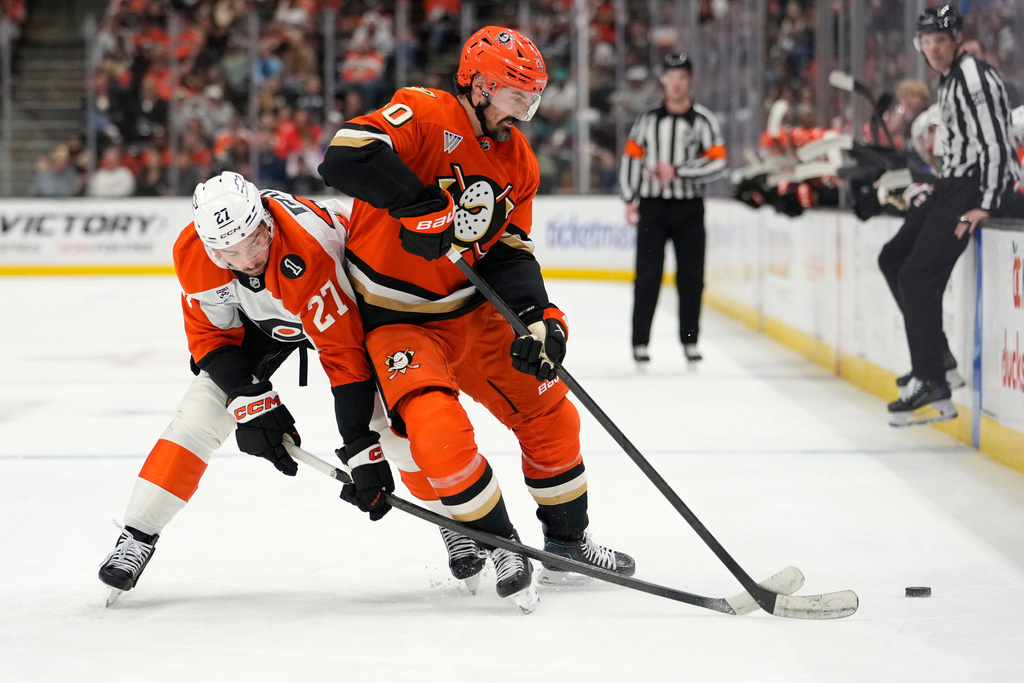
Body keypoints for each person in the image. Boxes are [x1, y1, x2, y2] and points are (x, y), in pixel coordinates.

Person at [317, 26, 634, 610]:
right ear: (482, 84)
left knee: (551, 413)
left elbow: (510, 249)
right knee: (437, 432)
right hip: (396, 321)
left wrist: (539, 316)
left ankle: (566, 542)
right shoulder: (424, 110)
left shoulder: (519, 159)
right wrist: (419, 207)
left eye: (533, 95)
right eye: (519, 94)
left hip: (473, 313)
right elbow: (345, 157)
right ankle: (499, 542)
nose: (528, 108)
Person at [98, 172, 396, 599]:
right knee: (200, 414)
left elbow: (343, 356)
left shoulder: (307, 246)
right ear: (209, 246)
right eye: (229, 253)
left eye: (255, 242)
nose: (247, 259)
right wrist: (251, 398)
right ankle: (137, 536)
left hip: (351, 301)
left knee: (390, 424)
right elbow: (210, 340)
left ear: (266, 220)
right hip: (266, 319)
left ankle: (459, 524)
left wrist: (359, 447)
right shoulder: (195, 252)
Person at [878, 5, 1020, 427]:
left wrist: (987, 201)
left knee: (918, 275)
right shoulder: (949, 79)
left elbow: (997, 142)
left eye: (941, 40)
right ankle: (937, 359)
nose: (934, 49)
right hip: (951, 187)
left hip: (971, 190)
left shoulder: (973, 76)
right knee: (893, 258)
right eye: (927, 42)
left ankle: (933, 383)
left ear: (956, 38)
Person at [618, 52, 727, 365]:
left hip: (690, 209)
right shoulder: (649, 119)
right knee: (647, 276)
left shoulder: (703, 120)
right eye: (670, 77)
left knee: (692, 277)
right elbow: (632, 158)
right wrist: (629, 199)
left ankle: (690, 342)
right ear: (663, 80)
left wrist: (678, 170)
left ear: (688, 80)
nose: (676, 83)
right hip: (653, 208)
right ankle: (640, 343)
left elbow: (718, 162)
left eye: (681, 77)